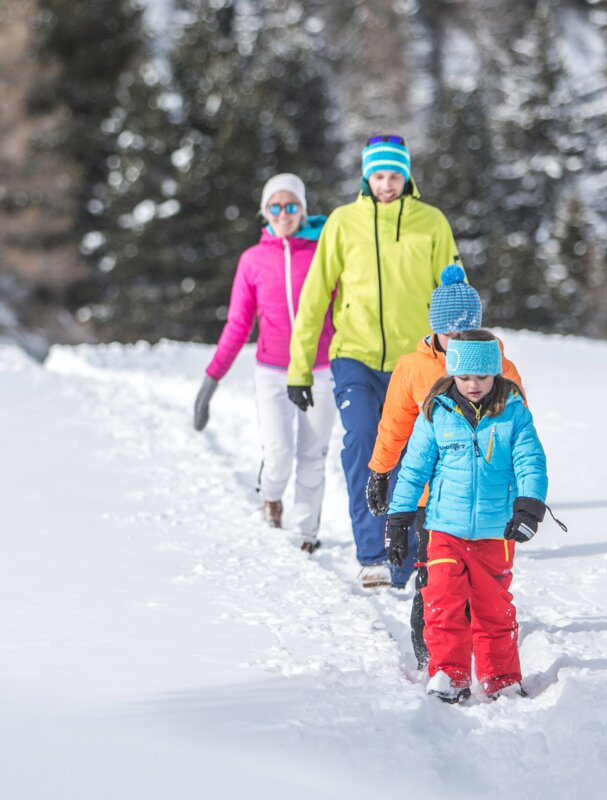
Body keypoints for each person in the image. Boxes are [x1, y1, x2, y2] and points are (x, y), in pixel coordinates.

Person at [286, 134, 460, 589]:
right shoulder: (343, 223)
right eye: (378, 175)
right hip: (355, 356)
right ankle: (372, 553)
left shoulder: (432, 222)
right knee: (363, 440)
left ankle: (408, 559)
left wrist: (461, 355)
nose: (386, 184)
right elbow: (315, 295)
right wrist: (299, 367)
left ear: (407, 175)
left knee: (414, 453)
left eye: (394, 174)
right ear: (366, 176)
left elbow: (454, 295)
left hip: (417, 361)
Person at [365, 264, 525, 669]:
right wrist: (381, 469)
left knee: (482, 586)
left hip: (486, 501)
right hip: (429, 501)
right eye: (449, 333)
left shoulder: (501, 369)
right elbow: (396, 424)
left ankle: (476, 651)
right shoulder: (414, 367)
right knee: (434, 582)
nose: (457, 341)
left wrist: (521, 493)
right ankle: (432, 657)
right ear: (435, 330)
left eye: (465, 332)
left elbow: (520, 435)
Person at [385, 330, 549, 703]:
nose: (473, 385)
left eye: (482, 376)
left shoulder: (514, 412)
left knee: (494, 610)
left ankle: (501, 678)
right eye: (464, 377)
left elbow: (530, 462)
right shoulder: (436, 412)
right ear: (453, 373)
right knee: (442, 602)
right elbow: (413, 470)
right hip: (444, 528)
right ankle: (448, 672)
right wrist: (398, 521)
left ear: (496, 373)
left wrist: (529, 506)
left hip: (496, 531)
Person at [193, 173, 336, 553]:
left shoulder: (324, 250)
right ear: (265, 211)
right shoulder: (253, 260)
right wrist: (212, 379)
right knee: (279, 454)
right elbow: (239, 323)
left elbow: (345, 309)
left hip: (321, 369)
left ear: (303, 209)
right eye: (276, 206)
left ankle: (307, 533)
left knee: (312, 455)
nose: (284, 213)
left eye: (292, 206)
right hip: (272, 371)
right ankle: (270, 497)